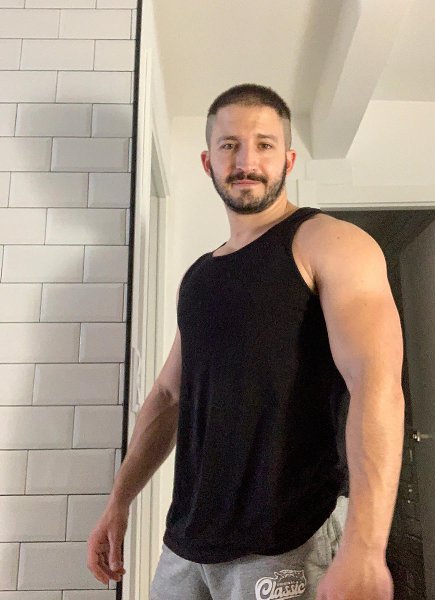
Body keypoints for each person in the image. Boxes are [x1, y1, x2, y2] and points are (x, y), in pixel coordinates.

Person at [87, 83, 405, 600]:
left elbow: (377, 384)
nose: (246, 161)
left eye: (264, 144)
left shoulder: (329, 243)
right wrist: (118, 501)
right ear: (207, 161)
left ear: (289, 159)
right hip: (186, 547)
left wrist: (366, 547)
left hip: (287, 539)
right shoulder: (198, 277)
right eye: (229, 145)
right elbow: (168, 395)